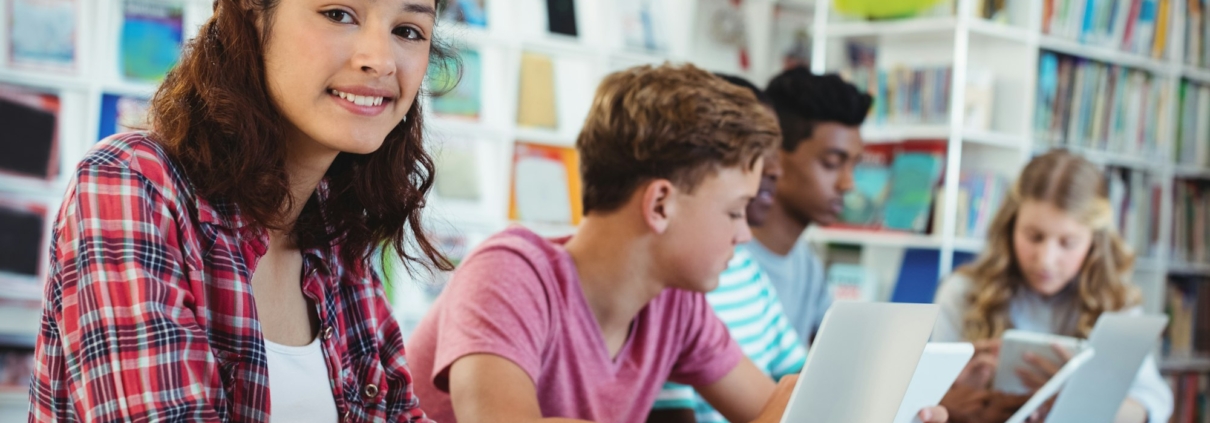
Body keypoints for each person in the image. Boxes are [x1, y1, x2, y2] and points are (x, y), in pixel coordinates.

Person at [405, 64, 948, 423]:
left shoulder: (674, 303)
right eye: (735, 211)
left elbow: (773, 408)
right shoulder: (509, 273)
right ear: (660, 204)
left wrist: (888, 408)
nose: (744, 233)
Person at [29, 0, 454, 421]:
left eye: (408, 31)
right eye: (339, 14)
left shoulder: (338, 239)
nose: (380, 61)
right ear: (250, 11)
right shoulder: (131, 182)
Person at [933, 150, 1173, 423]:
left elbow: (1154, 406)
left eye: (1067, 243)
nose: (1046, 260)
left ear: (1094, 244)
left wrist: (1079, 395)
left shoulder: (1115, 303)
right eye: (1033, 236)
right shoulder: (962, 292)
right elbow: (924, 403)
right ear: (1011, 226)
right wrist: (958, 391)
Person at [648, 74, 806, 423]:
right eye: (759, 152)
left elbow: (796, 396)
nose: (775, 168)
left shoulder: (737, 276)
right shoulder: (675, 290)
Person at [748, 68, 871, 347]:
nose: (847, 183)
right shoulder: (724, 261)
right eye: (831, 163)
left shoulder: (805, 264)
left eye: (854, 165)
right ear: (774, 157)